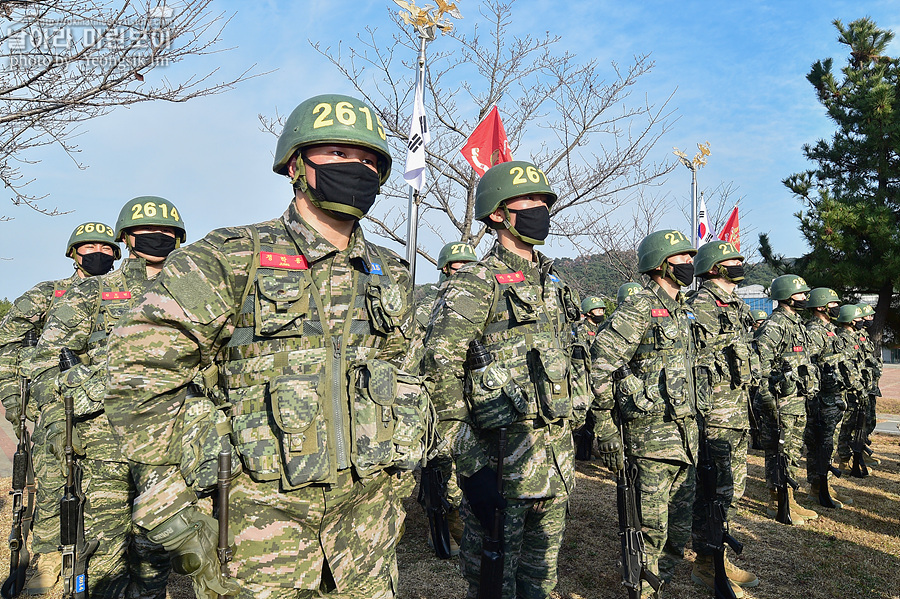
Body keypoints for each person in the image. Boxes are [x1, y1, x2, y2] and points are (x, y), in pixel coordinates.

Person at [103, 94, 429, 599]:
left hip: (366, 534)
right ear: (296, 165)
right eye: (339, 155)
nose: (357, 169)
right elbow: (137, 376)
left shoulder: (391, 274)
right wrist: (171, 501)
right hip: (255, 536)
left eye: (369, 161)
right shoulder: (229, 257)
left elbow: (408, 377)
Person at [423, 160, 586, 599]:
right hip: (500, 470)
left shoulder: (552, 283)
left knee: (540, 583)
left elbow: (571, 358)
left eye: (544, 201)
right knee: (494, 586)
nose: (541, 209)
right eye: (529, 200)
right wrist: (470, 468)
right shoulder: (475, 282)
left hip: (553, 465)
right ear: (497, 212)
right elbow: (440, 371)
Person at [30, 199, 187, 598]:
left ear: (180, 239)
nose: (159, 237)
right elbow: (45, 367)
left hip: (172, 443)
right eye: (147, 230)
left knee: (156, 553)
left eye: (168, 232)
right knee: (105, 557)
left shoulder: (194, 293)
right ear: (126, 238)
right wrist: (68, 414)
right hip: (105, 447)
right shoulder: (92, 294)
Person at [0, 222, 119, 594]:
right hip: (57, 401)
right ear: (73, 253)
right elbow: (9, 343)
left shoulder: (124, 293)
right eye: (89, 247)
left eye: (105, 246)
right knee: (54, 480)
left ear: (117, 252)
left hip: (109, 405)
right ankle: (48, 561)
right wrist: (15, 397)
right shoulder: (48, 293)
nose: (98, 252)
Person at [589, 229, 698, 598]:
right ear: (661, 264)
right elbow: (599, 367)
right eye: (682, 257)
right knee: (649, 529)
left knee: (679, 529)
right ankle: (643, 590)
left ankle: (659, 584)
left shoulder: (682, 309)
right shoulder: (637, 308)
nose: (689, 263)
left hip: (684, 439)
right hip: (648, 440)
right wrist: (605, 429)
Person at [686, 240, 757, 595]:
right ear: (714, 266)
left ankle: (718, 557)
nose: (740, 264)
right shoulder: (700, 306)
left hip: (736, 413)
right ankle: (706, 563)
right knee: (711, 495)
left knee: (730, 493)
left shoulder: (737, 307)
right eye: (733, 260)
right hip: (713, 415)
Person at [422, 241, 478, 556]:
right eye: (459, 265)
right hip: (440, 404)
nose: (465, 271)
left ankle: (463, 523)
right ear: (445, 268)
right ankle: (446, 528)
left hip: (474, 402)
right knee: (446, 470)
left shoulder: (480, 303)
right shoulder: (428, 305)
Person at [753, 275, 819, 525]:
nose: (805, 298)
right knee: (778, 452)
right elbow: (761, 366)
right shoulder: (775, 325)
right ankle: (776, 500)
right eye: (801, 294)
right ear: (789, 296)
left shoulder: (796, 323)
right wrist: (769, 401)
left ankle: (789, 497)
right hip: (780, 402)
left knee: (792, 451)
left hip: (796, 400)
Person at [802, 288, 852, 508]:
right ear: (821, 306)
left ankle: (825, 485)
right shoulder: (813, 331)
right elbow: (808, 364)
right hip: (821, 399)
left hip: (834, 397)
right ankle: (817, 486)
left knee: (828, 443)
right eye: (833, 304)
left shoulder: (831, 330)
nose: (836, 307)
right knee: (819, 444)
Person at [835, 305, 869, 474]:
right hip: (849, 390)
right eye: (858, 319)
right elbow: (847, 367)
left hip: (857, 389)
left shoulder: (854, 337)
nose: (861, 321)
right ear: (849, 320)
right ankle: (843, 459)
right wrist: (858, 387)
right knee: (846, 427)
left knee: (854, 425)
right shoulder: (842, 338)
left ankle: (850, 457)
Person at [855, 303, 882, 465]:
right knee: (859, 422)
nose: (871, 319)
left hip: (870, 385)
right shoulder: (855, 336)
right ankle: (855, 453)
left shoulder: (863, 335)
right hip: (861, 387)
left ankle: (862, 448)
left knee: (869, 421)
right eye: (868, 316)